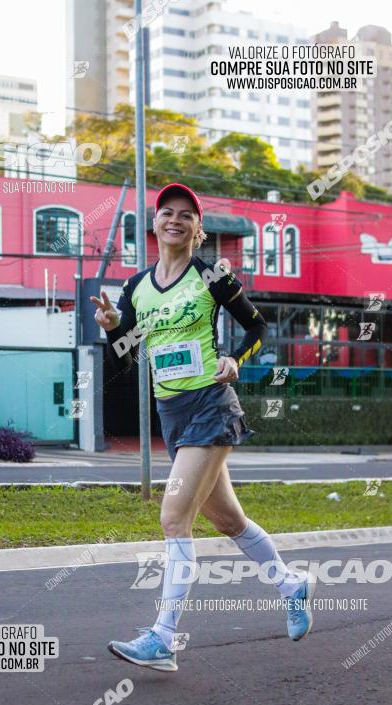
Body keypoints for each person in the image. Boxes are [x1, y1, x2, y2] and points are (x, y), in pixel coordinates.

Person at [91, 182, 316, 672]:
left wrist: (235, 358)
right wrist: (112, 327)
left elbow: (258, 327)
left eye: (185, 215)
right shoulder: (136, 288)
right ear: (154, 225)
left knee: (173, 517)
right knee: (229, 521)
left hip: (212, 406)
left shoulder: (212, 275)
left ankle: (163, 639)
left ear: (198, 229)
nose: (175, 220)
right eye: (166, 213)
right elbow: (125, 356)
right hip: (171, 415)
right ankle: (292, 585)